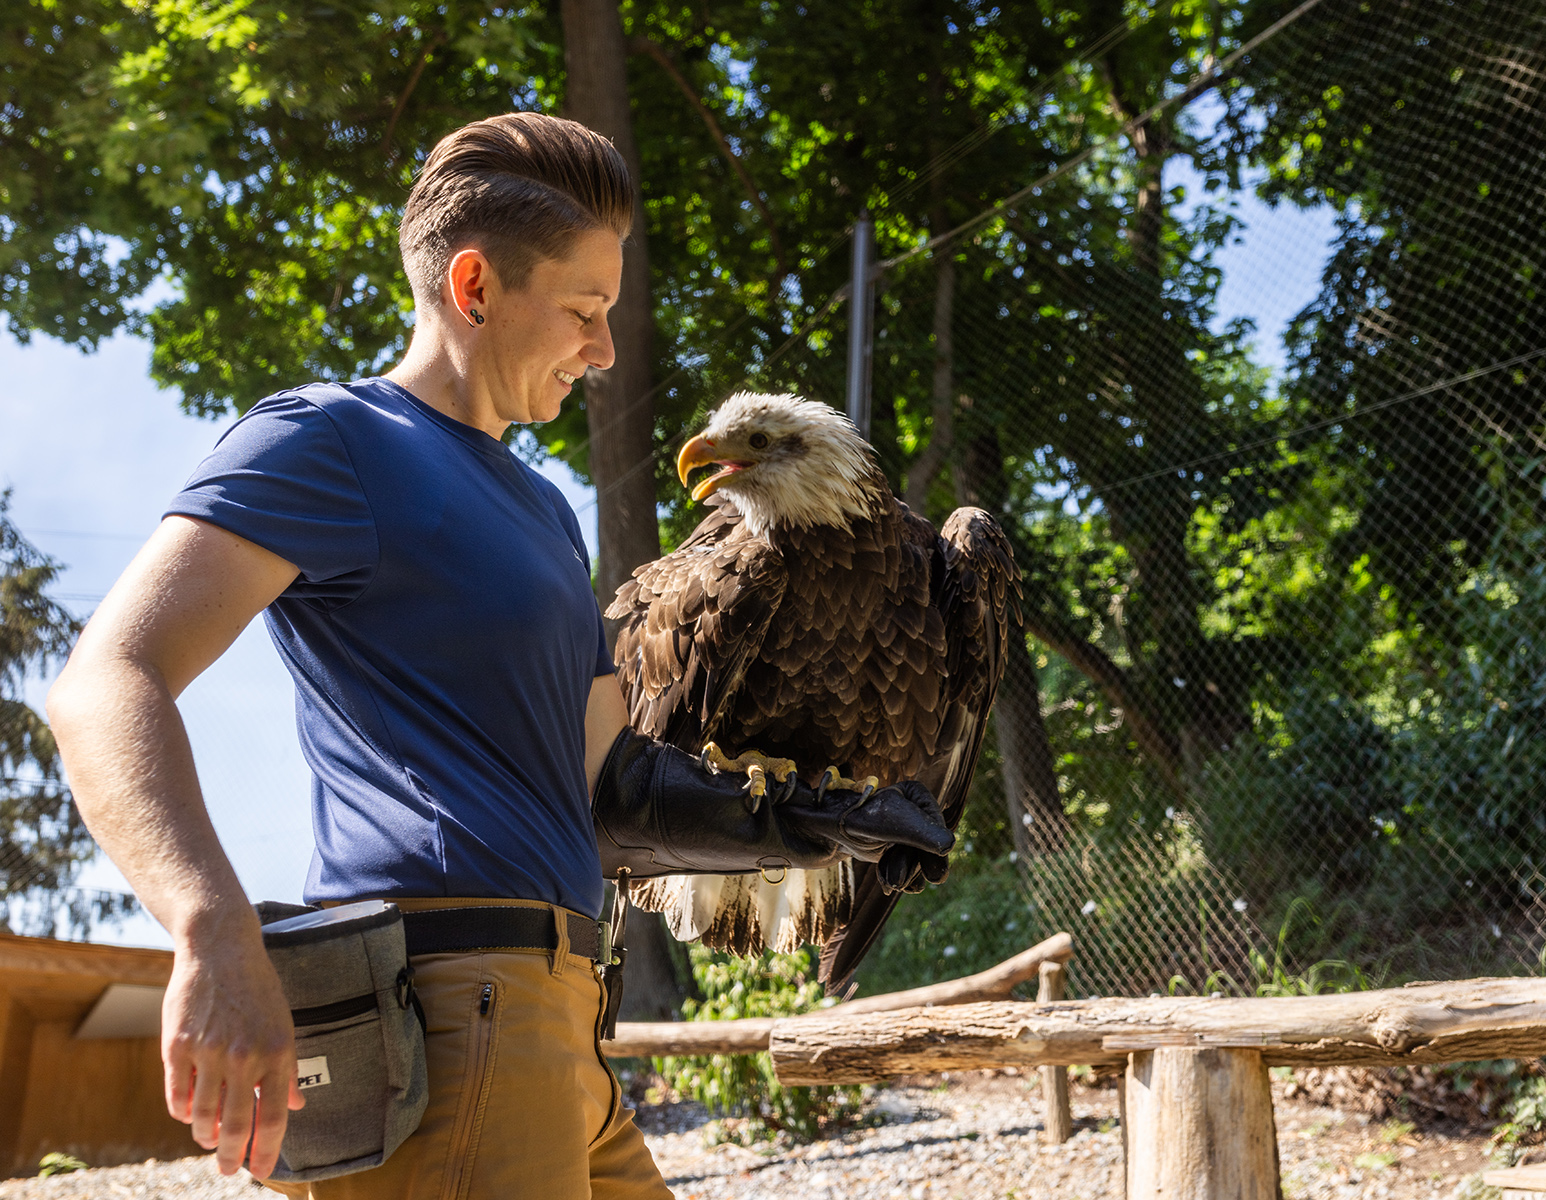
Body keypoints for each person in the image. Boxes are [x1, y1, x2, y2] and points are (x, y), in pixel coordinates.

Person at [46, 112, 953, 1199]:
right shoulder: (328, 440)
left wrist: (794, 822)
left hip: (560, 1010)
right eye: (585, 309)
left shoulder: (543, 511)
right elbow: (106, 682)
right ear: (474, 288)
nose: (606, 349)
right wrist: (212, 927)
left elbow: (606, 782)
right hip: (450, 1000)